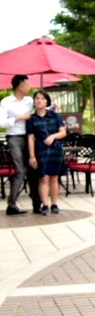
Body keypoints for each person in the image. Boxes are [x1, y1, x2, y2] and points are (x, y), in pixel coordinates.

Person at [26, 90, 67, 215]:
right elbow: (30, 138)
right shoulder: (31, 119)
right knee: (43, 178)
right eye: (37, 98)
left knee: (54, 177)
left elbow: (63, 132)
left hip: (55, 150)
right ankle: (45, 205)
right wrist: (32, 156)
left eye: (42, 98)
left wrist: (53, 136)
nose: (39, 100)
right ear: (34, 101)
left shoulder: (54, 116)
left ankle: (54, 204)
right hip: (41, 150)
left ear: (47, 101)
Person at [2, 74, 33, 215]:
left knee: (34, 170)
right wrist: (19, 118)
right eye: (27, 84)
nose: (29, 87)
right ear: (20, 86)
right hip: (14, 138)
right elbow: (1, 123)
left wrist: (53, 108)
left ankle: (37, 203)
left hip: (30, 137)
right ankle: (12, 204)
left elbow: (41, 108)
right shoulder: (6, 102)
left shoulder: (30, 100)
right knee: (20, 171)